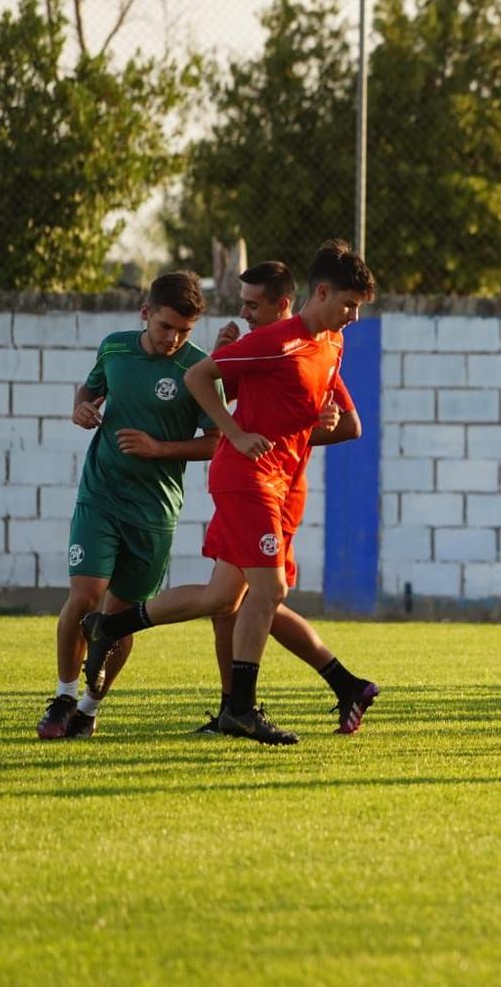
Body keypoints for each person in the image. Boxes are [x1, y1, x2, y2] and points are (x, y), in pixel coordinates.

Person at [81, 243, 379, 745]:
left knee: (225, 598)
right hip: (247, 478)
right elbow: (200, 376)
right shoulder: (277, 341)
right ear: (322, 292)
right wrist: (235, 434)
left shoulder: (332, 344)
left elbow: (336, 423)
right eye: (349, 304)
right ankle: (242, 708)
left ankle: (110, 626)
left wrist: (314, 423)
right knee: (271, 591)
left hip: (280, 483)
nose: (353, 316)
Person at [36, 273, 216, 739]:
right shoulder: (114, 348)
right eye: (166, 327)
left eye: (184, 331)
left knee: (119, 618)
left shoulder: (197, 370)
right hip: (100, 496)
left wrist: (160, 449)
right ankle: (61, 696)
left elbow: (217, 443)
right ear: (145, 314)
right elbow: (89, 390)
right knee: (85, 596)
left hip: (154, 512)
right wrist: (81, 408)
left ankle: (90, 710)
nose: (174, 339)